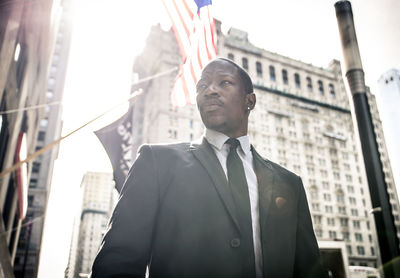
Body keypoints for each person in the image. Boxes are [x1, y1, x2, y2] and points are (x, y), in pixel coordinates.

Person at [91, 58, 327, 278]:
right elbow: (117, 261)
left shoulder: (289, 183)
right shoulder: (157, 162)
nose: (210, 90)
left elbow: (309, 269)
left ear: (249, 101)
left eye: (224, 82)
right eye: (202, 85)